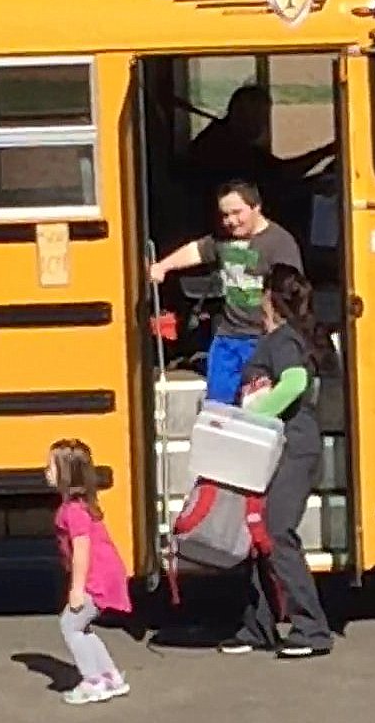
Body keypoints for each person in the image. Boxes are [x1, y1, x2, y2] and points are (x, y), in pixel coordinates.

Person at [219, 262, 334, 659]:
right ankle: (258, 625)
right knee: (260, 535)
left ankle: (312, 629)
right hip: (280, 450)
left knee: (277, 531)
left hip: (292, 450)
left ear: (270, 298)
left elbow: (295, 383)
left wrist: (252, 417)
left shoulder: (282, 340)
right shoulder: (283, 338)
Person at [149, 179, 302, 405]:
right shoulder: (222, 240)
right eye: (225, 215)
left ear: (256, 207)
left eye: (237, 213)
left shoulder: (280, 243)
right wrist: (162, 266)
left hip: (263, 339)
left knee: (254, 404)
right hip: (227, 337)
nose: (230, 221)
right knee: (218, 405)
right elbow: (196, 251)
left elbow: (293, 292)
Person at [46, 438, 133, 705]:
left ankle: (92, 680)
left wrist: (77, 589)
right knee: (82, 628)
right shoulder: (81, 506)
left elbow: (82, 550)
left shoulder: (73, 511)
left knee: (70, 625)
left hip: (96, 580)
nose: (46, 472)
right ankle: (109, 675)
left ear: (66, 474)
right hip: (107, 576)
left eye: (51, 467)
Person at [185, 85, 335, 232]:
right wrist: (321, 162)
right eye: (257, 116)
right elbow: (277, 178)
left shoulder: (235, 142)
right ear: (238, 113)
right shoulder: (222, 146)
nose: (262, 124)